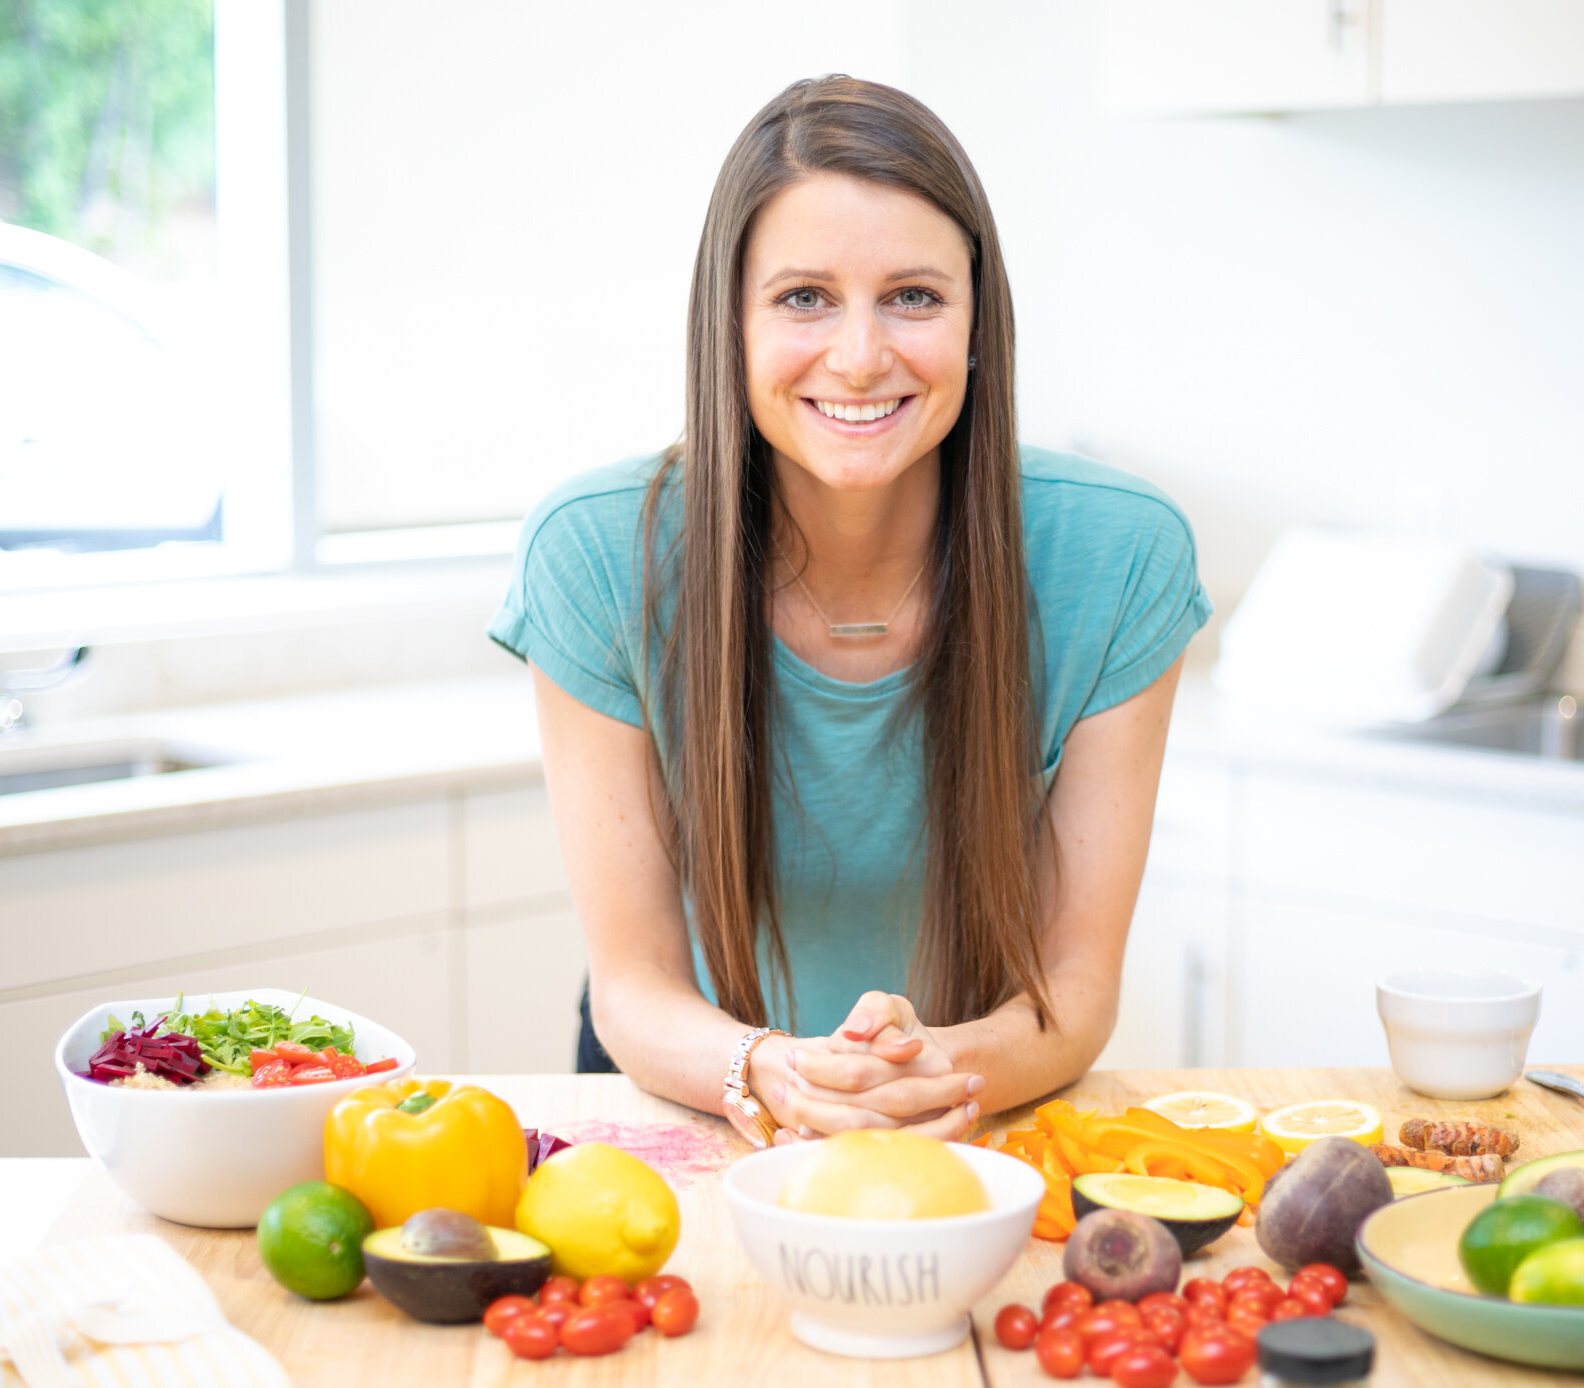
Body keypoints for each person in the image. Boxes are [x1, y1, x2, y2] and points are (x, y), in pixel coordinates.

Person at [488, 75, 1210, 1148]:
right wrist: (772, 1069)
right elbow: (631, 984)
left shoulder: (1117, 551)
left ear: (976, 323)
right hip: (692, 1090)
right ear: (727, 321)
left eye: (913, 295)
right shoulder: (596, 553)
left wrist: (915, 1075)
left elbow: (1071, 984)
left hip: (967, 1103)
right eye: (802, 297)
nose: (861, 354)